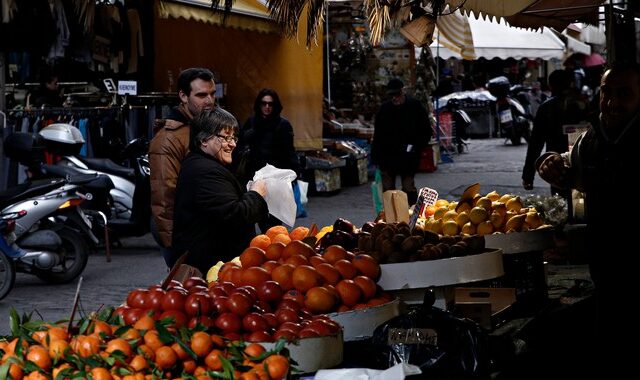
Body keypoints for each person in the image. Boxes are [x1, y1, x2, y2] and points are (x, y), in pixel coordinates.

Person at [536, 63, 640, 375]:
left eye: (624, 94)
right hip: (605, 262)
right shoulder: (592, 140)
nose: (612, 101)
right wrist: (548, 163)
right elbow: (567, 167)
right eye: (607, 92)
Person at [172, 108, 268, 275]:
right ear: (203, 140)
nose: (233, 144)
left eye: (234, 137)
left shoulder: (202, 165)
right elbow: (236, 215)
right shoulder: (206, 172)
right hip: (212, 270)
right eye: (225, 137)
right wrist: (256, 194)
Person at [149, 67, 216, 268]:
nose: (209, 101)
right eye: (202, 95)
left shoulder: (208, 127)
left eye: (212, 94)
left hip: (205, 229)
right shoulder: (167, 139)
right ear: (183, 96)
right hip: (183, 232)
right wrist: (174, 248)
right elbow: (164, 197)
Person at [234, 88, 301, 232]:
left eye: (270, 104)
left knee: (274, 222)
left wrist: (294, 174)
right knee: (255, 215)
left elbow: (289, 151)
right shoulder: (252, 122)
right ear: (259, 105)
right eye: (264, 104)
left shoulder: (283, 125)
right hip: (254, 175)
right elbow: (241, 145)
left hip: (275, 178)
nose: (267, 107)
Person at [522, 69, 587, 196]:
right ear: (571, 83)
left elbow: (535, 144)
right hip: (583, 162)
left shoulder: (546, 107)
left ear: (551, 85)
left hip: (556, 166)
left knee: (561, 203)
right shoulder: (584, 104)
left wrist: (528, 176)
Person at [371, 78, 432, 205]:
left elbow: (426, 130)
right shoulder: (384, 109)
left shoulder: (415, 106)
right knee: (388, 191)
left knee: (408, 188)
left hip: (408, 156)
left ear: (402, 91)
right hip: (388, 156)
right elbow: (378, 135)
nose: (395, 98)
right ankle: (390, 219)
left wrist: (417, 147)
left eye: (397, 94)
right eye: (391, 95)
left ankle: (412, 215)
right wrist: (376, 158)